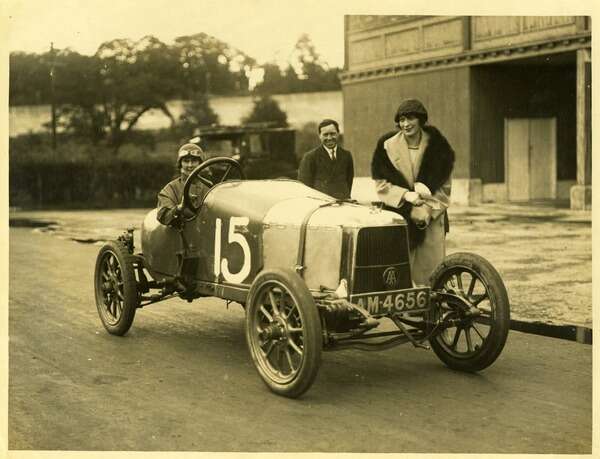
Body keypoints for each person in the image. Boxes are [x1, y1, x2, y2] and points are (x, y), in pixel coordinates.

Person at [371, 99, 455, 285]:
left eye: (410, 118)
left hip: (430, 219)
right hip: (399, 215)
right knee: (400, 268)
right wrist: (404, 195)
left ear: (421, 120)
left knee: (430, 271)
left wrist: (427, 211)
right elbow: (381, 184)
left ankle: (431, 307)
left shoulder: (438, 147)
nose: (406, 124)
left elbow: (444, 188)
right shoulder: (387, 145)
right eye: (401, 120)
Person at [298, 119, 354, 199]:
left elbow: (348, 182)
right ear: (319, 136)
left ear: (338, 134)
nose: (329, 138)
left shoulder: (346, 155)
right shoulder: (310, 157)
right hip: (321, 205)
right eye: (325, 134)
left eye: (332, 134)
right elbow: (304, 187)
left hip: (343, 203)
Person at [157, 143, 209, 228]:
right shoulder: (170, 189)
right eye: (186, 161)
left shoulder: (210, 187)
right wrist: (179, 208)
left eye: (194, 161)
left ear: (200, 163)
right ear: (180, 164)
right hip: (181, 236)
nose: (190, 165)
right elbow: (163, 215)